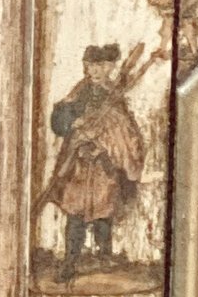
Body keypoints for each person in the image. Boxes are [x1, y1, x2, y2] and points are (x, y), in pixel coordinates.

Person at [44, 46, 147, 271]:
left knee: (104, 210)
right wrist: (73, 123)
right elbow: (61, 117)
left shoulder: (114, 95)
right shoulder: (80, 90)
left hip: (103, 164)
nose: (95, 70)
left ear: (110, 67)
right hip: (79, 163)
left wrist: (105, 145)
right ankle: (71, 259)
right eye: (91, 65)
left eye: (101, 66)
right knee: (75, 211)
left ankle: (104, 256)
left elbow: (123, 128)